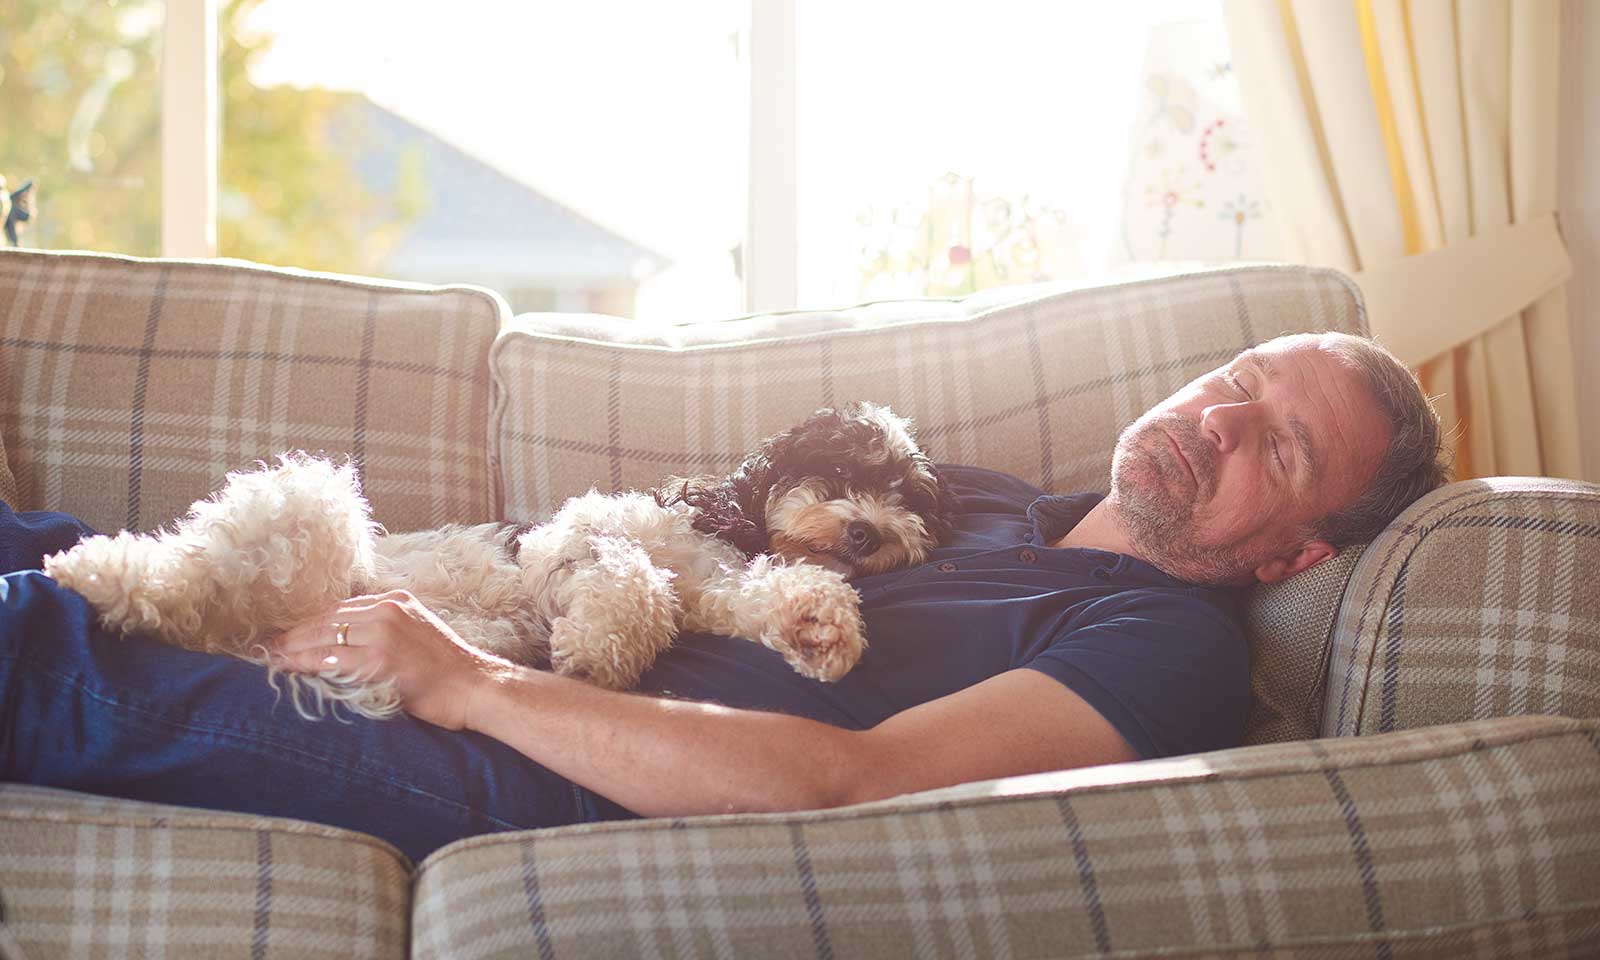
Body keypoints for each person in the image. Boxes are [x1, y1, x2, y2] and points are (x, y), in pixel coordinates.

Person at [0, 332, 1448, 863]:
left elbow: (855, 781)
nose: (1220, 420)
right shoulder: (989, 495)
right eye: (1240, 380)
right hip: (491, 603)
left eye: (1283, 446)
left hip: (516, 757)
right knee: (58, 548)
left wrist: (469, 681)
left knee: (44, 650)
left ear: (1296, 558)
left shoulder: (1163, 643)